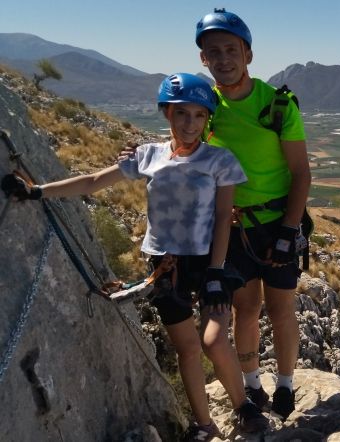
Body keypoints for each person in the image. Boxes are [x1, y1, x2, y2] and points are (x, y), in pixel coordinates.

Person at [2, 73, 270, 441]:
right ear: (167, 115)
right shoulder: (147, 155)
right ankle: (205, 425)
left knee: (212, 339)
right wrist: (37, 192)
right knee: (186, 348)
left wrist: (216, 271)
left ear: (207, 119)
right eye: (181, 115)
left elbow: (224, 217)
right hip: (165, 264)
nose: (189, 124)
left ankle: (244, 407)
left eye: (198, 115)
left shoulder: (220, 161)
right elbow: (95, 180)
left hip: (208, 261)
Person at [194, 8, 311, 421]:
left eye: (231, 49)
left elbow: (301, 173)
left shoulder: (277, 105)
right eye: (214, 52)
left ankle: (285, 385)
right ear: (203, 60)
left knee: (281, 309)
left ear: (248, 54)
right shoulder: (205, 107)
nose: (223, 58)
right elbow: (182, 150)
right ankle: (251, 384)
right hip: (234, 226)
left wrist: (288, 230)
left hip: (276, 222)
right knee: (247, 309)